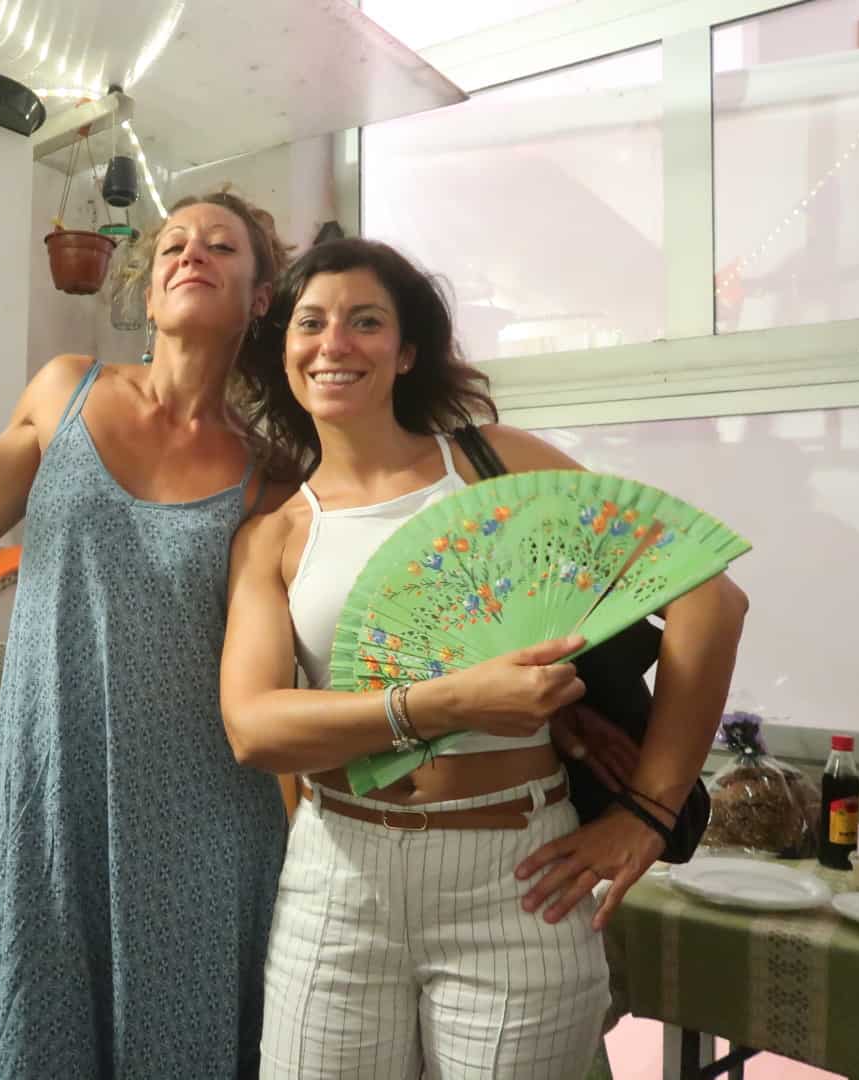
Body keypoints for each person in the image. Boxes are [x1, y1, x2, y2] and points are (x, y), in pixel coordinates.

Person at [220, 238, 748, 1079]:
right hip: (335, 879)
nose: (335, 343)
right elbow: (254, 727)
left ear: (407, 352)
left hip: (516, 876)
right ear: (285, 351)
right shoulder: (274, 535)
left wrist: (649, 810)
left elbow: (709, 598)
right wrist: (451, 702)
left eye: (366, 322)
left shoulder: (494, 467)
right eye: (310, 323)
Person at [0, 191, 293, 1078]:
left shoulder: (268, 473)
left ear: (259, 298)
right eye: (175, 244)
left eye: (222, 247)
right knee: (46, 1034)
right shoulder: (67, 389)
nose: (192, 253)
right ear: (149, 292)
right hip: (53, 786)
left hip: (200, 813)